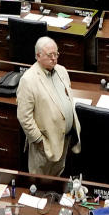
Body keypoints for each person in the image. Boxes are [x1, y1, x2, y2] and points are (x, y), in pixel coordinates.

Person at [16, 36, 81, 176]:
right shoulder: (28, 80)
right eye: (50, 55)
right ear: (38, 56)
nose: (54, 59)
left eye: (56, 54)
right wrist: (40, 141)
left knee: (57, 179)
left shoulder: (62, 71)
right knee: (40, 182)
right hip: (45, 145)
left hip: (64, 139)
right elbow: (24, 117)